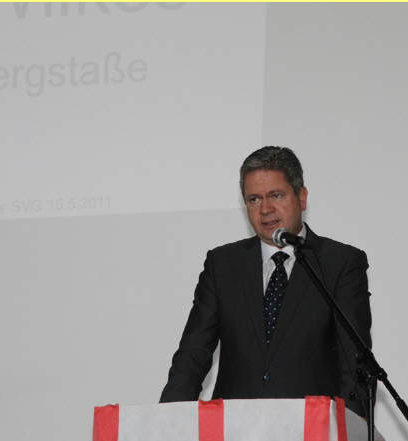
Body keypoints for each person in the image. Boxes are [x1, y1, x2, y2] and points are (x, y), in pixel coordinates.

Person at [159, 146, 373, 417]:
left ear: (302, 197)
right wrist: (165, 425)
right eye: (254, 199)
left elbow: (355, 367)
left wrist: (347, 430)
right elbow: (192, 357)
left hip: (312, 430)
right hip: (234, 430)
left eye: (276, 195)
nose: (265, 209)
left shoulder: (339, 263)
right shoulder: (223, 264)